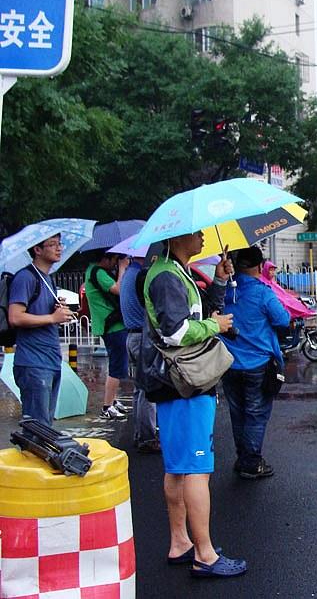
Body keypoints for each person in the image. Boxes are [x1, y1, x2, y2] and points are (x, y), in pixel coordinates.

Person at [139, 232, 246, 578]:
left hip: (174, 383)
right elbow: (176, 332)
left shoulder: (174, 271)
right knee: (197, 469)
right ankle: (205, 554)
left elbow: (193, 313)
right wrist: (216, 325)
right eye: (197, 232)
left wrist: (219, 280)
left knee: (177, 468)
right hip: (184, 383)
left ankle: (181, 543)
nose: (202, 236)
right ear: (178, 235)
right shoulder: (167, 276)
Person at [220, 247, 291, 479]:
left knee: (237, 413)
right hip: (257, 364)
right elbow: (282, 320)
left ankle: (242, 457)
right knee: (256, 414)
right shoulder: (262, 293)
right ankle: (251, 462)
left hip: (228, 363)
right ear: (260, 266)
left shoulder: (224, 291)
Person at [8, 234, 76, 425]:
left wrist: (57, 311)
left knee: (46, 426)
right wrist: (52, 318)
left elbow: (43, 315)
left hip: (50, 360)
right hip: (34, 363)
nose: (59, 248)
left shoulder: (47, 279)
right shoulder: (26, 278)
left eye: (59, 244)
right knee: (37, 428)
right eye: (52, 244)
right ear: (37, 250)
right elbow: (15, 317)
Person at [119, 255, 159, 452]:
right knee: (147, 389)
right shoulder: (141, 275)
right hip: (142, 337)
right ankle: (147, 437)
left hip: (132, 336)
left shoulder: (129, 273)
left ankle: (140, 433)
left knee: (139, 388)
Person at [85, 251, 129, 420]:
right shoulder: (97, 272)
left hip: (110, 325)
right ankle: (107, 406)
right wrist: (123, 268)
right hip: (112, 326)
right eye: (115, 259)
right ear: (105, 257)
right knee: (117, 366)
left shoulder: (94, 270)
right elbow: (119, 289)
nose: (115, 263)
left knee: (115, 364)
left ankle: (113, 400)